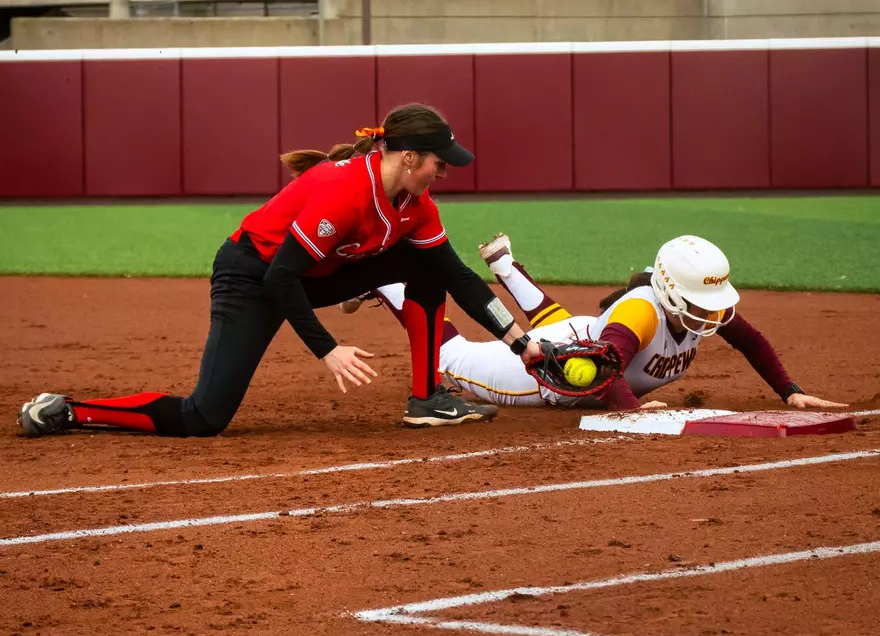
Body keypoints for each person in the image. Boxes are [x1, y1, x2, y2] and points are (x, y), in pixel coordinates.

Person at [18, 104, 544, 438]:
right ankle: (72, 411)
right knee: (205, 417)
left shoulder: (415, 204)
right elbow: (279, 277)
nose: (444, 172)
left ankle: (428, 398)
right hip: (253, 275)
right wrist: (328, 348)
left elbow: (460, 278)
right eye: (439, 162)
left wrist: (522, 344)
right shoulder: (344, 191)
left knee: (433, 265)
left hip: (316, 274)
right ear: (409, 157)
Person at [339, 233, 846, 412]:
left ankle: (507, 268)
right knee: (449, 357)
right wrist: (632, 412)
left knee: (557, 321)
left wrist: (790, 390)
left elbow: (751, 341)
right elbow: (605, 377)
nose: (708, 312)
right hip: (547, 379)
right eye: (697, 299)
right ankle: (384, 281)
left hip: (579, 337)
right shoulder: (641, 312)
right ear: (670, 289)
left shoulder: (699, 307)